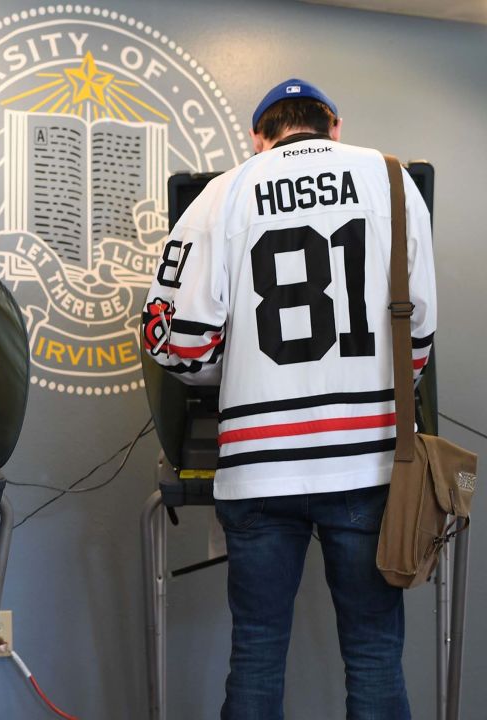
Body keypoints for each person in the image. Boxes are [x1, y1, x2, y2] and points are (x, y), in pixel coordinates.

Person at [143, 79, 436, 719]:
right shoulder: (392, 180)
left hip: (257, 466)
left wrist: (238, 369)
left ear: (259, 136)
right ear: (334, 125)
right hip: (369, 463)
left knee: (256, 649)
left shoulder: (224, 192)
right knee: (375, 653)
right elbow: (419, 335)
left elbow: (177, 344)